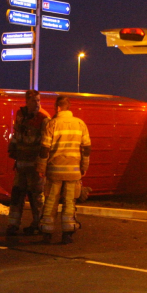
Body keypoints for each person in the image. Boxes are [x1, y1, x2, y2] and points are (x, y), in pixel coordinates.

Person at [36, 96, 91, 244]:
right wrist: (84, 167)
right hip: (73, 172)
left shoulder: (52, 124)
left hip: (54, 171)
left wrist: (41, 167)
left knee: (51, 201)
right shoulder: (80, 124)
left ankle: (47, 233)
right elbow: (86, 149)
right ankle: (67, 233)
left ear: (58, 108)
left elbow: (44, 150)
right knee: (69, 202)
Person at [6, 90, 50, 236]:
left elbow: (46, 144)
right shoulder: (21, 115)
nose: (37, 103)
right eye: (34, 101)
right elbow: (16, 134)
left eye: (38, 100)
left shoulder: (44, 119)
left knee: (36, 196)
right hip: (21, 164)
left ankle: (38, 224)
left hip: (35, 166)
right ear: (27, 101)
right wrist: (12, 147)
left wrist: (42, 164)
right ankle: (13, 224)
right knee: (17, 194)